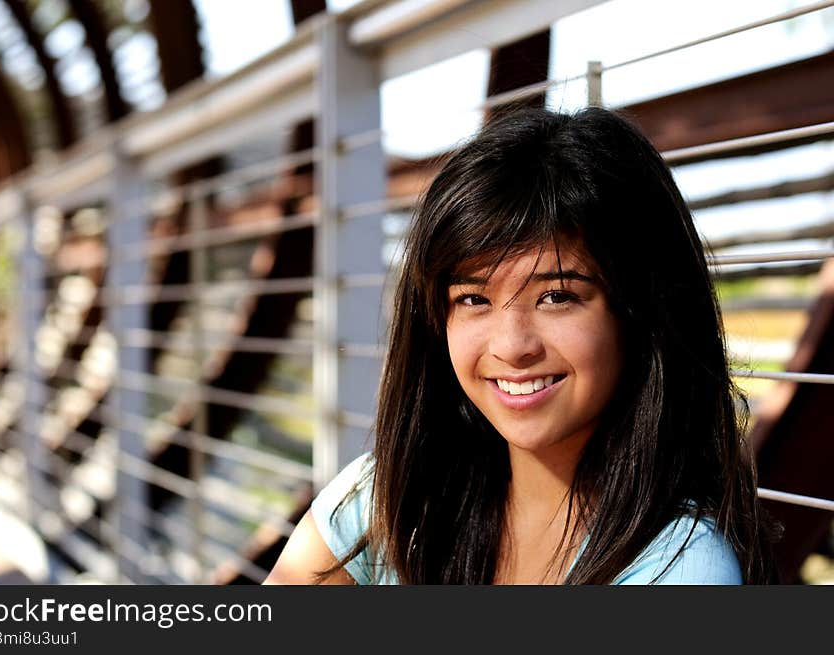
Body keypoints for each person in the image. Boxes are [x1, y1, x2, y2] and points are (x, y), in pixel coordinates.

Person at [264, 106, 779, 585]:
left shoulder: (681, 569)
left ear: (642, 311)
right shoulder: (386, 499)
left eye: (557, 296)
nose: (512, 346)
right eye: (473, 299)